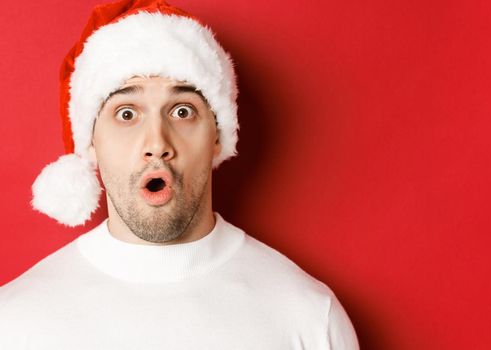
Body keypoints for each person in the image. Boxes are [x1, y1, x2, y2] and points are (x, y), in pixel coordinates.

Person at [0, 0, 359, 349]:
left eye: (182, 111)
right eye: (127, 114)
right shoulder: (16, 323)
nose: (157, 143)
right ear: (90, 143)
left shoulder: (310, 318)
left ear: (218, 137)